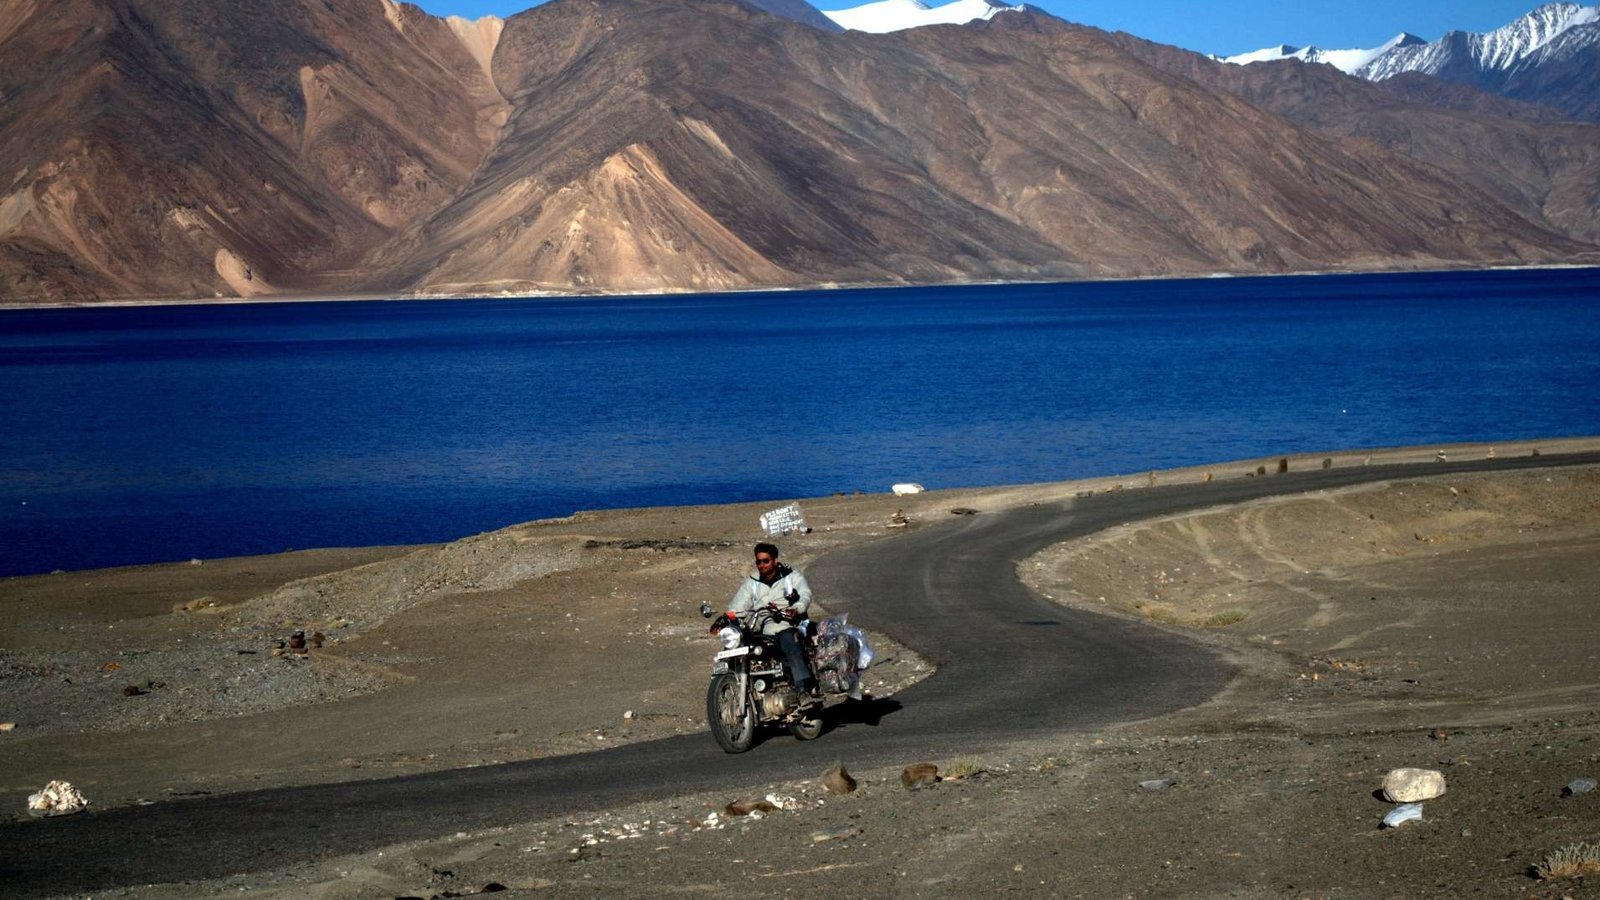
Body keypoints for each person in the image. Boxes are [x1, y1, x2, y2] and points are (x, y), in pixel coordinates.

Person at [726, 542, 817, 700]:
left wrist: (797, 608)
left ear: (775, 561)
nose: (762, 565)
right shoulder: (752, 582)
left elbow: (805, 594)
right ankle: (734, 686)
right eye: (758, 561)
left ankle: (803, 690)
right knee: (737, 645)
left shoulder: (791, 576)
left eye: (766, 561)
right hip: (762, 630)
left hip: (789, 625)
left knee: (789, 639)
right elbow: (738, 606)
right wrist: (728, 617)